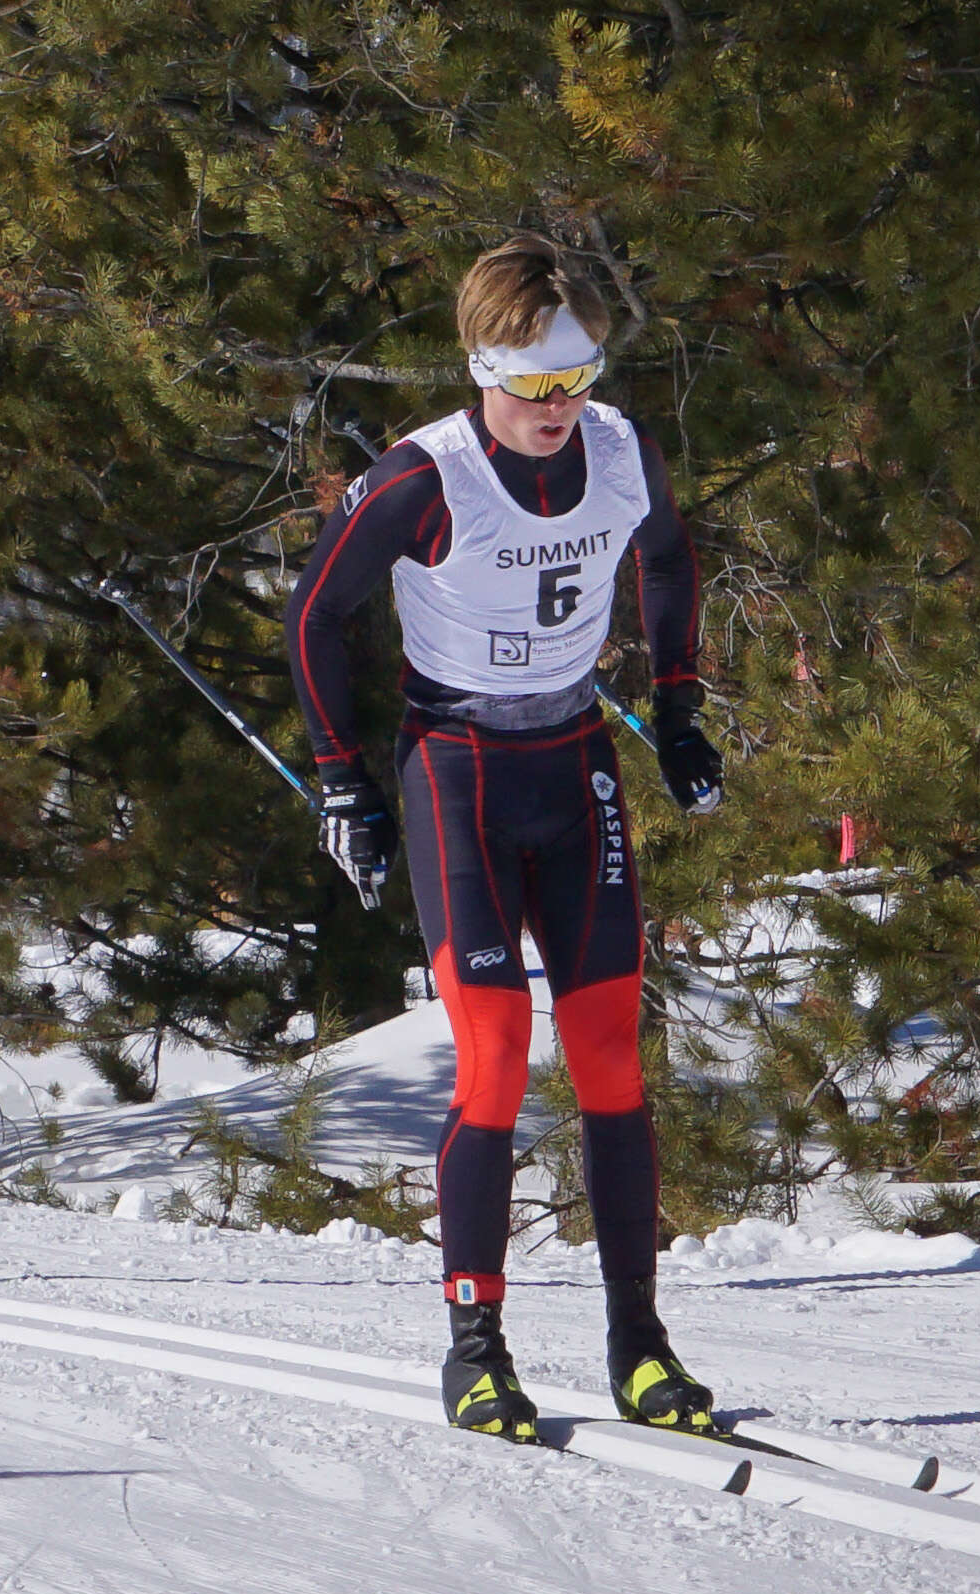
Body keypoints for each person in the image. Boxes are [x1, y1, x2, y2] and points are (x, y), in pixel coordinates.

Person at [284, 236, 726, 1443]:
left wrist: (678, 710)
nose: (556, 409)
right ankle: (475, 1350)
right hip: (459, 773)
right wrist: (343, 783)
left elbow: (672, 563)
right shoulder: (425, 479)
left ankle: (640, 1344)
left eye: (575, 380)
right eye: (531, 386)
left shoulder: (622, 447)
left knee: (611, 1059)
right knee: (493, 1053)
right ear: (483, 368)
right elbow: (317, 615)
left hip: (574, 760)